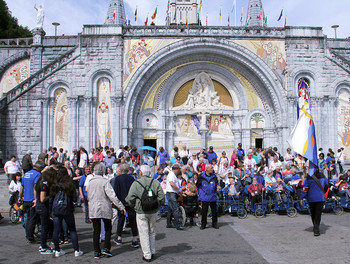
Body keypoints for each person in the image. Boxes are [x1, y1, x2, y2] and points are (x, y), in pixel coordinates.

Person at [126, 165, 165, 262]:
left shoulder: (136, 183)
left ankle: (147, 254)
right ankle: (152, 251)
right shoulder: (155, 182)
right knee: (152, 231)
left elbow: (130, 198)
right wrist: (157, 205)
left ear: (141, 173)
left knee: (144, 233)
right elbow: (161, 198)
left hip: (141, 211)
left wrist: (134, 206)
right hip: (153, 210)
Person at [87, 163, 125, 259]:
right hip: (104, 206)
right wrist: (120, 206)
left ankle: (96, 251)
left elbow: (88, 196)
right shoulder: (105, 182)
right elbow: (112, 195)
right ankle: (106, 248)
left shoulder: (90, 182)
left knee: (96, 230)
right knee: (108, 228)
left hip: (93, 207)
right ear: (103, 171)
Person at [50, 168, 83, 257]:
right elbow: (74, 198)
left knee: (56, 230)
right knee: (72, 229)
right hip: (67, 208)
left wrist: (50, 211)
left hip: (56, 209)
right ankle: (76, 250)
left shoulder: (55, 185)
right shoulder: (69, 184)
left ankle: (57, 250)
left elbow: (51, 198)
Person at [110, 163, 139, 247]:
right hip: (130, 202)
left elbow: (116, 192)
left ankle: (119, 237)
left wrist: (118, 204)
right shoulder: (132, 178)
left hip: (121, 202)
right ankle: (134, 238)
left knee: (121, 220)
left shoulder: (117, 179)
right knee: (133, 221)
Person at [18, 161, 45, 243]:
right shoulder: (37, 175)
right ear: (39, 168)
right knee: (32, 219)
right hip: (32, 200)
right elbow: (35, 187)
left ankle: (28, 234)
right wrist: (36, 199)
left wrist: (20, 197)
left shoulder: (26, 174)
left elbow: (22, 187)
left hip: (25, 199)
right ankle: (30, 236)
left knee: (28, 218)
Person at [301, 170, 328, 236]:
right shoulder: (323, 176)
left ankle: (315, 227)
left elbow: (305, 188)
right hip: (320, 197)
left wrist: (302, 197)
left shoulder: (308, 177)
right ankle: (316, 228)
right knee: (318, 214)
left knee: (313, 213)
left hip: (311, 198)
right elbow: (326, 185)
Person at [35, 167, 56, 254]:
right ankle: (43, 246)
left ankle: (43, 245)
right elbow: (42, 198)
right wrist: (51, 196)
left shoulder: (40, 182)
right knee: (44, 227)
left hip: (40, 206)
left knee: (45, 227)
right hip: (43, 207)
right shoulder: (44, 184)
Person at [196, 164, 220, 230]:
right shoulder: (201, 176)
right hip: (204, 196)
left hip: (212, 196)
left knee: (214, 211)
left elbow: (217, 183)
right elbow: (197, 185)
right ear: (207, 169)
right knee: (204, 211)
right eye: (211, 168)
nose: (212, 169)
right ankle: (203, 224)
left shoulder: (214, 176)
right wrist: (199, 192)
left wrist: (218, 186)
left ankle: (214, 223)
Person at [165, 164, 183, 230]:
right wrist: (178, 189)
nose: (179, 171)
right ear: (176, 169)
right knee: (175, 209)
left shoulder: (172, 175)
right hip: (171, 193)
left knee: (170, 209)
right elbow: (172, 184)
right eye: (179, 169)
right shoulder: (171, 174)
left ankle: (169, 223)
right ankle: (177, 224)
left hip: (171, 193)